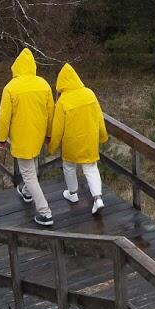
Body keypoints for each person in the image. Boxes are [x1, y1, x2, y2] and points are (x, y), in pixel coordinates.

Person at [0, 48, 55, 227]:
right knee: (32, 166)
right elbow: (51, 113)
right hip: (37, 135)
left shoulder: (10, 88)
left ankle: (45, 213)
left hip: (21, 137)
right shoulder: (43, 84)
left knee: (28, 173)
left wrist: (1, 138)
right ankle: (27, 192)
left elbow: (4, 117)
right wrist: (49, 134)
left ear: (17, 67)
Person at [49, 63, 109, 215]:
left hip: (72, 142)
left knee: (69, 166)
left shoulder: (63, 101)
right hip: (89, 139)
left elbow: (57, 129)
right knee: (91, 167)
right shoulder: (89, 93)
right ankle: (98, 199)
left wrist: (52, 147)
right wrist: (102, 135)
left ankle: (72, 193)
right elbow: (99, 117)